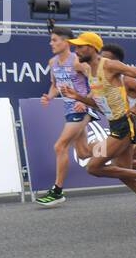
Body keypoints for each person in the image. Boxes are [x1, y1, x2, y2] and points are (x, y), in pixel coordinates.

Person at [58, 32, 136, 216]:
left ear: (92, 48)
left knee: (93, 167)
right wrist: (77, 97)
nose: (76, 51)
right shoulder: (89, 71)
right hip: (115, 125)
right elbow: (99, 104)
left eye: (80, 47)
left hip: (124, 125)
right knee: (124, 174)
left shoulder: (108, 65)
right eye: (75, 47)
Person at [35, 29, 94, 207]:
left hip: (82, 108)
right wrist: (49, 96)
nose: (51, 43)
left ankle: (57, 191)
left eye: (54, 40)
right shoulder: (52, 62)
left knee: (60, 146)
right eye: (51, 40)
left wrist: (85, 101)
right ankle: (118, 148)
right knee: (83, 152)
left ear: (66, 42)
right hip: (69, 109)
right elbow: (55, 85)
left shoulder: (76, 61)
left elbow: (97, 82)